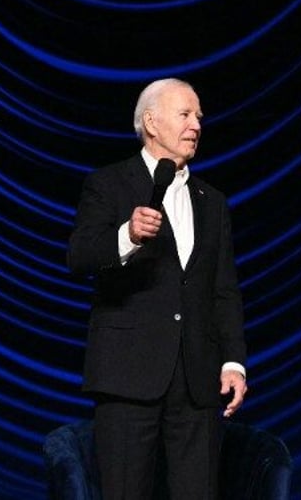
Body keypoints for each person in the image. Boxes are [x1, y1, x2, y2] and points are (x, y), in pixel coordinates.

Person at [68, 78, 248, 499]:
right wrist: (126, 235)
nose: (196, 125)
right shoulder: (109, 184)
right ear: (151, 121)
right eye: (185, 114)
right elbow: (78, 256)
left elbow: (224, 290)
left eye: (199, 117)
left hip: (198, 380)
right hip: (128, 377)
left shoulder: (212, 200)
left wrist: (233, 363)